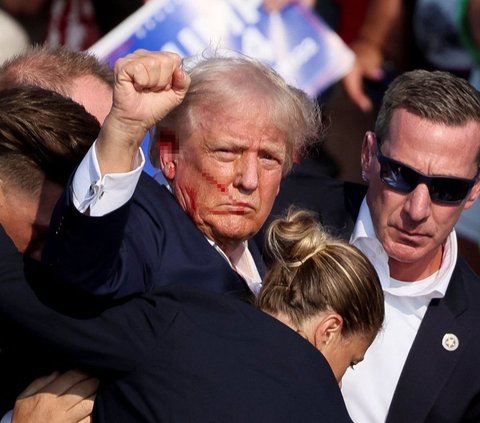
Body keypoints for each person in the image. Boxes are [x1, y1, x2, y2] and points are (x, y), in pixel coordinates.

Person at [0, 208, 384, 422]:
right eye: (351, 363)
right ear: (329, 330)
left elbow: (30, 301)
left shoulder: (190, 320)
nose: (339, 384)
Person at [263, 69, 480, 422]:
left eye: (447, 190)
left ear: (473, 192)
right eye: (401, 175)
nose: (418, 210)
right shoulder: (277, 203)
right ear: (367, 155)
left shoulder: (475, 337)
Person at [41, 49, 321, 300]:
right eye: (226, 152)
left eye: (269, 158)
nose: (249, 180)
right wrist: (124, 131)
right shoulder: (142, 226)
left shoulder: (280, 254)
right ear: (170, 155)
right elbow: (83, 273)